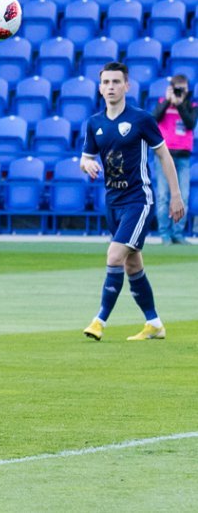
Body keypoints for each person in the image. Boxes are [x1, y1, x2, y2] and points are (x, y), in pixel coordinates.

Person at [81, 62, 186, 342]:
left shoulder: (141, 119)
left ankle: (99, 321)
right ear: (100, 87)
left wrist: (175, 195)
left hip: (139, 200)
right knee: (132, 265)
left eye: (117, 82)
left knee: (114, 256)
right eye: (106, 82)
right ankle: (154, 324)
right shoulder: (94, 123)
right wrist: (85, 165)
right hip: (112, 202)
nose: (111, 87)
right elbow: (86, 157)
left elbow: (164, 155)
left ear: (127, 86)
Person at [152, 74, 196, 245]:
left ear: (187, 89)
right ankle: (165, 234)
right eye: (177, 88)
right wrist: (167, 101)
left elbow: (191, 123)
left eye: (182, 88)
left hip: (183, 157)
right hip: (164, 155)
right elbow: (153, 118)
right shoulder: (163, 102)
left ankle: (177, 233)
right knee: (163, 195)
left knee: (183, 196)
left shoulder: (191, 106)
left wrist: (179, 105)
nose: (180, 91)